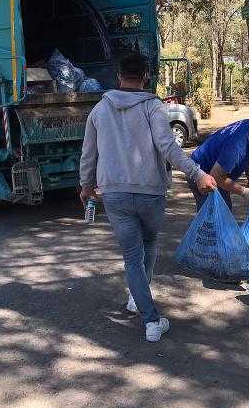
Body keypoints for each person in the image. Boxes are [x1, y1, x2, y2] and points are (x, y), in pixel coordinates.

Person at [79, 52, 217, 343]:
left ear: (119, 76)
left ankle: (139, 301)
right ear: (145, 76)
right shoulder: (153, 107)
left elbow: (88, 154)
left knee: (131, 256)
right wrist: (198, 174)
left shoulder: (99, 110)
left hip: (114, 193)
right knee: (149, 243)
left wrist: (86, 186)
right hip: (150, 192)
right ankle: (150, 318)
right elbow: (169, 147)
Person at [186, 117, 249, 211]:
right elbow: (216, 176)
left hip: (214, 170)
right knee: (215, 216)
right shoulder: (236, 149)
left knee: (223, 212)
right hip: (200, 172)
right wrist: (243, 191)